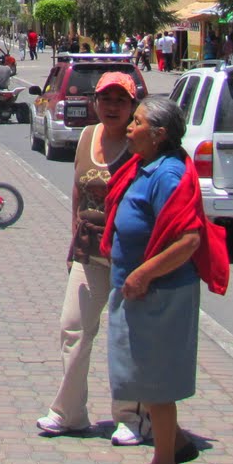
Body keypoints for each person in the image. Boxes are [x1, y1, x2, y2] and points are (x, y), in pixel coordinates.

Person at [101, 97, 228, 464]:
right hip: (139, 290)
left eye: (136, 122)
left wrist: (142, 275)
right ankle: (178, 443)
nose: (129, 127)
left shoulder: (168, 175)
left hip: (159, 294)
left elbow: (189, 240)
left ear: (158, 135)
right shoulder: (147, 165)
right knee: (140, 376)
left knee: (155, 384)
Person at [35, 73, 145, 444]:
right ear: (95, 102)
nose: (112, 106)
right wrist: (72, 242)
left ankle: (131, 416)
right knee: (73, 329)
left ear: (132, 106)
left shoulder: (140, 144)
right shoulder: (86, 137)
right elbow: (78, 193)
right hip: (88, 252)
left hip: (129, 258)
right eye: (106, 99)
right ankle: (70, 413)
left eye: (121, 100)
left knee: (127, 337)